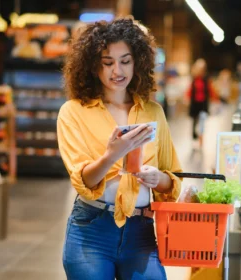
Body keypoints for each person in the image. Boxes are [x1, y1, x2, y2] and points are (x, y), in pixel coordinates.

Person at [57, 18, 182, 280]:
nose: (118, 70)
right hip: (92, 230)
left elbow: (174, 177)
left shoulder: (153, 112)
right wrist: (113, 153)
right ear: (93, 65)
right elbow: (83, 180)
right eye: (107, 62)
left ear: (137, 63)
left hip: (142, 232)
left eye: (125, 61)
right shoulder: (73, 112)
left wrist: (158, 178)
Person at [186, 58, 217, 148]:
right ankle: (194, 138)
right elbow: (190, 91)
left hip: (203, 105)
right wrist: (187, 99)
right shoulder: (194, 79)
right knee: (194, 123)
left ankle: (201, 140)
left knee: (202, 123)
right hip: (195, 104)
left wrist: (216, 100)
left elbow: (211, 91)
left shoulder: (206, 79)